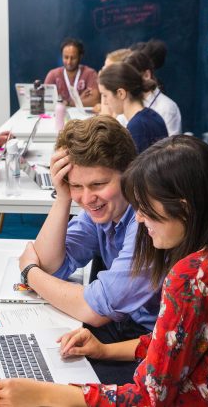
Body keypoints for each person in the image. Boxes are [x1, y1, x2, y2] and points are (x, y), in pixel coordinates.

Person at [0, 135, 208, 406]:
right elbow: (174, 340)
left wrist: (44, 394)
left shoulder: (192, 276)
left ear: (182, 208)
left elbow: (147, 399)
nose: (140, 219)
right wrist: (105, 351)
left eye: (145, 208)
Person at [17, 115, 159, 384]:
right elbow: (52, 266)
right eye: (76, 186)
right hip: (128, 330)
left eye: (98, 184)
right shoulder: (101, 209)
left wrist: (29, 273)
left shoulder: (147, 221)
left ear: (129, 173)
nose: (87, 198)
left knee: (55, 387)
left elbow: (96, 310)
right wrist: (62, 198)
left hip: (151, 345)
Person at [98, 62, 167, 153]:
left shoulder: (136, 127)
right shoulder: (154, 115)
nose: (105, 102)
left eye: (105, 95)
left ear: (121, 93)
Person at [123, 51, 182, 135]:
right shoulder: (125, 105)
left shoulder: (167, 108)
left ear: (146, 75)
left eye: (131, 77)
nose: (126, 82)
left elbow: (170, 145)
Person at [45, 38, 99, 107]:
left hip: (83, 117)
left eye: (73, 58)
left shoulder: (90, 74)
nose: (69, 62)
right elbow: (46, 101)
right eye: (66, 57)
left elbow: (95, 100)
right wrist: (79, 100)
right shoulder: (53, 75)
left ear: (80, 57)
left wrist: (68, 103)